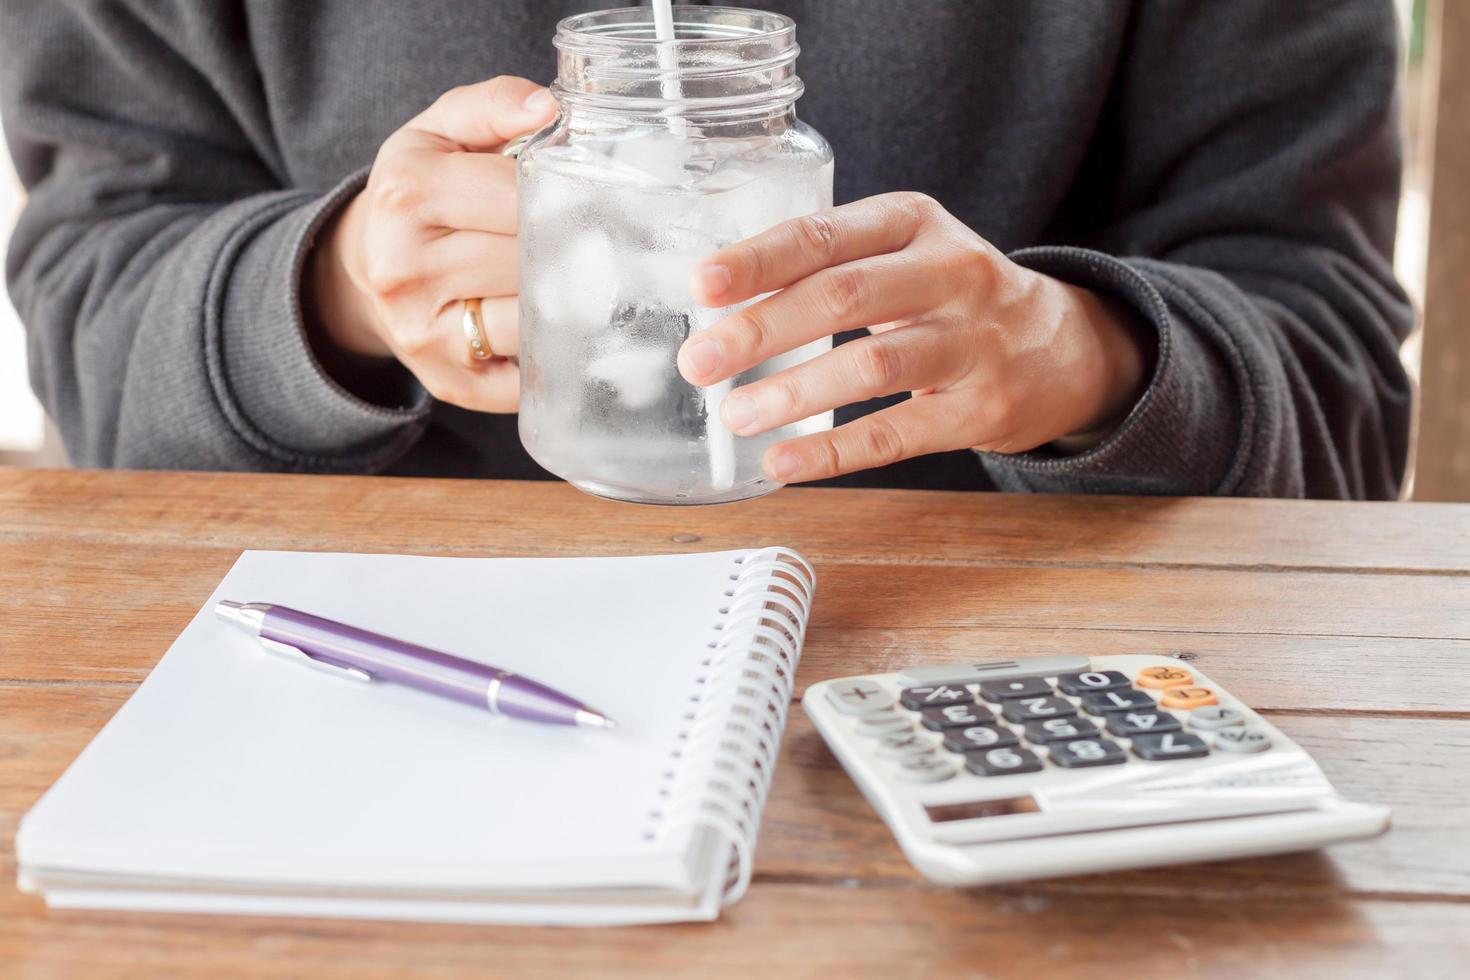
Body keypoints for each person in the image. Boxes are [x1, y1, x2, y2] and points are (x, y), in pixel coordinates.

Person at [0, 0, 1412, 498]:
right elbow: (89, 324)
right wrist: (337, 291)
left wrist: (1089, 359)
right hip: (379, 681)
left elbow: (1342, 406)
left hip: (1016, 684)